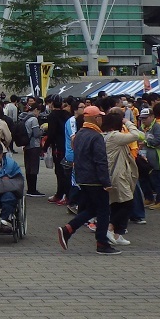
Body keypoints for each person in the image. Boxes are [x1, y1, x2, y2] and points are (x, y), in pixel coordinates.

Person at [56, 106, 121, 255]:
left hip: (82, 178)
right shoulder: (96, 136)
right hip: (95, 179)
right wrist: (106, 182)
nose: (102, 119)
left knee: (91, 209)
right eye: (100, 116)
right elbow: (100, 161)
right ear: (96, 118)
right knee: (104, 211)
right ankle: (102, 243)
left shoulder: (79, 134)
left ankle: (68, 229)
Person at [102, 111, 141, 247]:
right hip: (118, 175)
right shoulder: (115, 136)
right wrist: (128, 122)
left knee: (117, 203)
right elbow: (137, 135)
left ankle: (118, 234)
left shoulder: (105, 136)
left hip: (114, 174)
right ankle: (110, 228)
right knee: (127, 202)